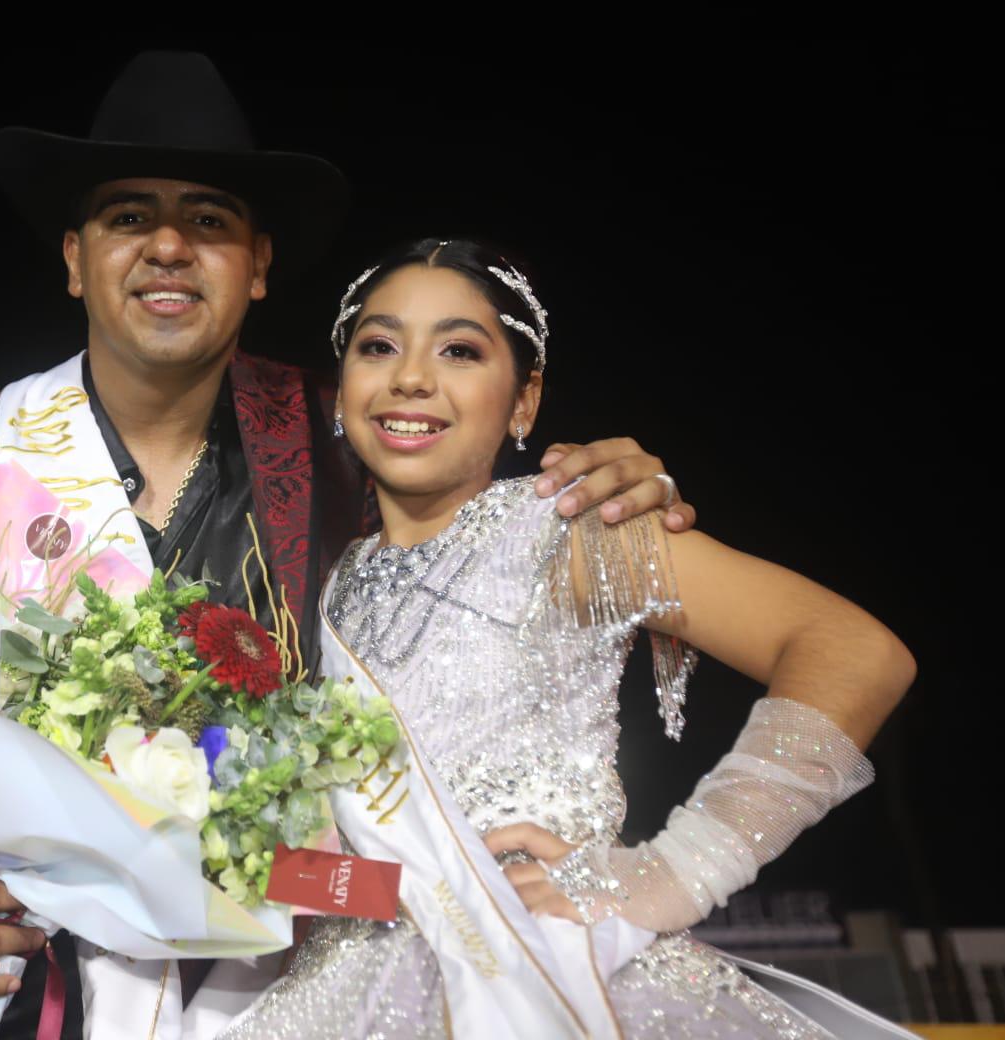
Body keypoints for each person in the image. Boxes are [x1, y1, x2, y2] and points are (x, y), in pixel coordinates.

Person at [0, 55, 692, 1037]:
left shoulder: (351, 440)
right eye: (128, 216)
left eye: (208, 219)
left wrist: (609, 488)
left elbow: (499, 544)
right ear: (75, 257)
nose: (167, 245)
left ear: (258, 265)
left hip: (282, 987)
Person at [218, 238, 917, 1039]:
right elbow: (351, 875)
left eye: (459, 349)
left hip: (547, 975)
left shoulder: (567, 531)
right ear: (341, 390)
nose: (411, 375)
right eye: (378, 346)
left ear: (523, 401)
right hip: (345, 992)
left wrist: (675, 872)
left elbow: (854, 652)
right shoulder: (323, 585)